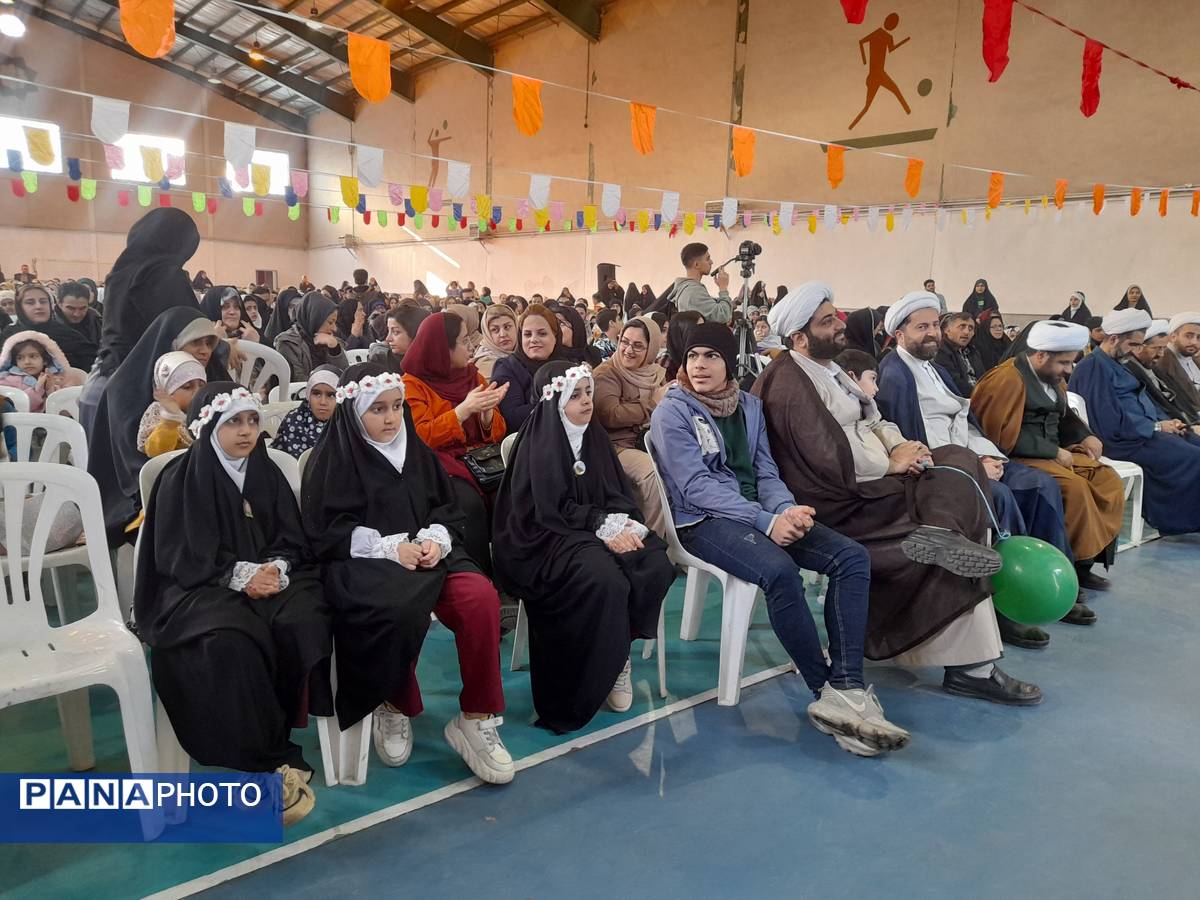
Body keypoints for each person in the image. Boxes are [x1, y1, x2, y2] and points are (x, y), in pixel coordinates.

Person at [756, 283, 1041, 706]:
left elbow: (873, 418)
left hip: (879, 477)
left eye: (835, 317)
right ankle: (973, 667)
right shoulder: (790, 384)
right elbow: (825, 458)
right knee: (950, 521)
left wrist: (904, 446)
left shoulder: (828, 368)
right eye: (827, 321)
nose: (839, 326)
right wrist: (891, 464)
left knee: (959, 461)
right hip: (848, 501)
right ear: (799, 337)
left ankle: (950, 551)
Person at [652, 324, 911, 756]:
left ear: (728, 362)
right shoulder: (673, 412)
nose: (699, 365)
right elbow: (695, 486)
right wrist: (765, 520)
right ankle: (823, 689)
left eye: (710, 356)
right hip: (702, 522)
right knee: (780, 572)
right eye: (693, 356)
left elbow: (765, 471)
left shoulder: (749, 407)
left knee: (851, 558)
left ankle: (846, 683)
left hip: (762, 514)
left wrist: (786, 510)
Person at [301, 364, 513, 783]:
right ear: (354, 412)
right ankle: (393, 702)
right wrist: (387, 548)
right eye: (377, 409)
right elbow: (326, 530)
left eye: (397, 406)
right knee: (399, 606)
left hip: (430, 556)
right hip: (368, 565)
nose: (391, 417)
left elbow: (446, 508)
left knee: (480, 597)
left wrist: (437, 538)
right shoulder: (335, 459)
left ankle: (476, 715)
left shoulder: (415, 451)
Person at [133, 383, 332, 825]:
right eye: (234, 423)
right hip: (196, 587)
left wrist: (277, 568)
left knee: (304, 617)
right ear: (209, 427)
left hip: (271, 579)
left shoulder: (267, 472)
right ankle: (264, 760)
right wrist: (239, 576)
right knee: (228, 641)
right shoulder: (181, 478)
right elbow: (179, 556)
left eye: (252, 421)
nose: (246, 432)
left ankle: (279, 733)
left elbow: (292, 538)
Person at [876, 295, 1095, 637]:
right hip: (942, 468)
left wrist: (987, 456)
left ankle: (1052, 584)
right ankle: (1002, 604)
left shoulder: (935, 369)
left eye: (935, 325)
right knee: (1002, 497)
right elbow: (911, 441)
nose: (932, 333)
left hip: (970, 454)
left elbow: (968, 421)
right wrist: (974, 463)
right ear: (899, 334)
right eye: (922, 327)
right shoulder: (895, 374)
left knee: (1040, 484)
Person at [494, 361, 675, 733]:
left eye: (588, 392)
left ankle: (618, 649)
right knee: (604, 579)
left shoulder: (594, 437)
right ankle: (599, 668)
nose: (586, 402)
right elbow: (547, 507)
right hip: (547, 537)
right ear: (554, 399)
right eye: (574, 395)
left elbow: (616, 494)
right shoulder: (539, 440)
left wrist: (620, 523)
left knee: (654, 560)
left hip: (593, 526)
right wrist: (600, 526)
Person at [971, 320, 1126, 590]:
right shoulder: (1006, 380)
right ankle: (1065, 572)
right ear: (1041, 356)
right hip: (1022, 457)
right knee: (1075, 488)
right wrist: (1052, 451)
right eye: (1064, 363)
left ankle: (1085, 563)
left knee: (1106, 479)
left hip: (1056, 454)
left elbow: (1064, 417)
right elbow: (999, 435)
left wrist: (1084, 435)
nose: (1068, 370)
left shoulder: (1052, 378)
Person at [88, 307, 225, 542]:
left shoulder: (209, 375)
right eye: (196, 343)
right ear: (171, 343)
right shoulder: (124, 388)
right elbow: (134, 459)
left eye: (209, 343)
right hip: (150, 484)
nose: (204, 352)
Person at [1070, 309, 1200, 535]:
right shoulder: (1092, 367)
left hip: (1143, 432)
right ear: (1113, 339)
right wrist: (1156, 427)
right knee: (1192, 458)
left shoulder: (1119, 362)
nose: (1137, 351)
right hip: (1123, 440)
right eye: (1134, 345)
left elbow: (1144, 402)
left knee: (1195, 441)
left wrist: (1169, 422)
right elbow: (1107, 420)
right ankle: (1180, 521)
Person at [402, 312, 508, 574]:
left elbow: (497, 433)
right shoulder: (412, 384)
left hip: (478, 461)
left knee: (513, 493)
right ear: (442, 348)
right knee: (466, 504)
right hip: (436, 465)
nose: (471, 346)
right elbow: (420, 437)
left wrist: (486, 415)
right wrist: (462, 411)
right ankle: (480, 576)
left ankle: (514, 574)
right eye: (463, 340)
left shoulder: (471, 376)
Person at [93, 208, 201, 378]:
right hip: (141, 381)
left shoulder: (118, 274)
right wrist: (223, 346)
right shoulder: (164, 276)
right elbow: (191, 332)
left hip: (106, 374)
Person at [593, 317, 669, 535]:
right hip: (615, 447)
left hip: (650, 440)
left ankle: (682, 535)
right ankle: (651, 542)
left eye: (638, 346)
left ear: (651, 349)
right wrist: (651, 403)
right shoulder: (607, 373)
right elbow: (610, 415)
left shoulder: (653, 372)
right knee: (653, 475)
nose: (628, 350)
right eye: (624, 342)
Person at [492, 304, 564, 430]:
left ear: (555, 336)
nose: (533, 339)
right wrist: (561, 404)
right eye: (527, 334)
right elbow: (512, 418)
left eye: (542, 334)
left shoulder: (566, 366)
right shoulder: (507, 368)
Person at [1, 283, 98, 374]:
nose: (38, 306)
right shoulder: (9, 336)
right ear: (20, 307)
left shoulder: (69, 335)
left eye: (43, 301)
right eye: (30, 303)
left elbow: (92, 366)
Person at [1127, 320, 1199, 426]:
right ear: (1138, 348)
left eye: (1163, 348)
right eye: (1156, 348)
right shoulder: (1131, 371)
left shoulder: (1152, 367)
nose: (1161, 354)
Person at [136, 351, 207, 456]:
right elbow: (155, 452)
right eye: (187, 387)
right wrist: (170, 422)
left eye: (201, 385)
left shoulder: (209, 411)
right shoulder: (159, 411)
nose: (197, 392)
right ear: (168, 392)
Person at [0, 331, 84, 413]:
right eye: (20, 358)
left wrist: (50, 389)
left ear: (45, 360)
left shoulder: (60, 378)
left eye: (33, 356)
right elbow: (17, 407)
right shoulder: (8, 380)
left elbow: (66, 407)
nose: (27, 362)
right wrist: (38, 389)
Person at [275, 291, 349, 382]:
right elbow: (297, 382)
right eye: (330, 322)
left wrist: (334, 349)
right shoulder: (288, 343)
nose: (334, 328)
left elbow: (346, 377)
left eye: (335, 323)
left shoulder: (329, 340)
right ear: (314, 319)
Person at [272, 366, 339, 458]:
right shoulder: (294, 421)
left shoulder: (347, 425)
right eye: (316, 394)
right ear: (308, 395)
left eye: (331, 395)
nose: (323, 402)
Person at [665, 243, 733, 324]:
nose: (711, 262)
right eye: (707, 259)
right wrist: (723, 288)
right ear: (697, 264)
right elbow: (723, 316)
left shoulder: (688, 288)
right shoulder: (693, 291)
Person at [369, 303, 430, 374]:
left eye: (395, 332)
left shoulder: (434, 363)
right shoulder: (380, 361)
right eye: (388, 330)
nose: (388, 338)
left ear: (416, 333)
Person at [54, 281, 101, 372]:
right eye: (71, 308)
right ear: (59, 304)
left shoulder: (98, 322)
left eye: (82, 308)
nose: (77, 314)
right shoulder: (49, 328)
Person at [935, 311, 984, 396]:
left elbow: (983, 378)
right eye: (962, 326)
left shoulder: (973, 352)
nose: (966, 332)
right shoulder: (941, 352)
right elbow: (955, 385)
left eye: (970, 328)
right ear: (947, 330)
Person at [1157, 312, 1200, 407]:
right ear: (1173, 337)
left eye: (1199, 337)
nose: (1194, 342)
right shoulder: (1162, 361)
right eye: (1188, 336)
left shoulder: (1194, 360)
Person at [472, 304, 518, 379]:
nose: (502, 334)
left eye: (507, 327)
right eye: (494, 330)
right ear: (487, 333)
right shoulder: (486, 363)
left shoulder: (524, 352)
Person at [663, 309, 704, 381]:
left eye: (704, 328)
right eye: (697, 330)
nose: (704, 334)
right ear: (682, 333)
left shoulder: (705, 357)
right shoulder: (667, 366)